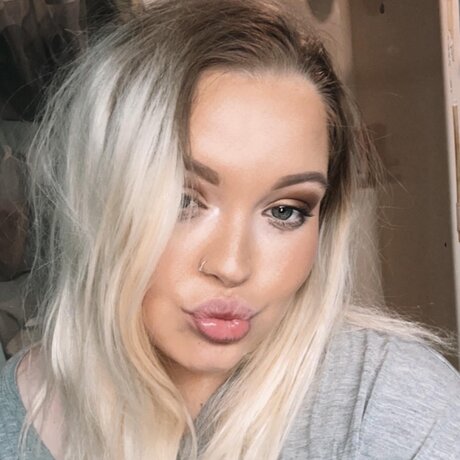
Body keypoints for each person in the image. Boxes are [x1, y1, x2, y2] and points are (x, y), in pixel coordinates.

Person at [1, 0, 459, 458]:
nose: (232, 266)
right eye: (181, 200)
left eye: (285, 211)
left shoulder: (386, 403)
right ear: (97, 198)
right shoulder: (13, 414)